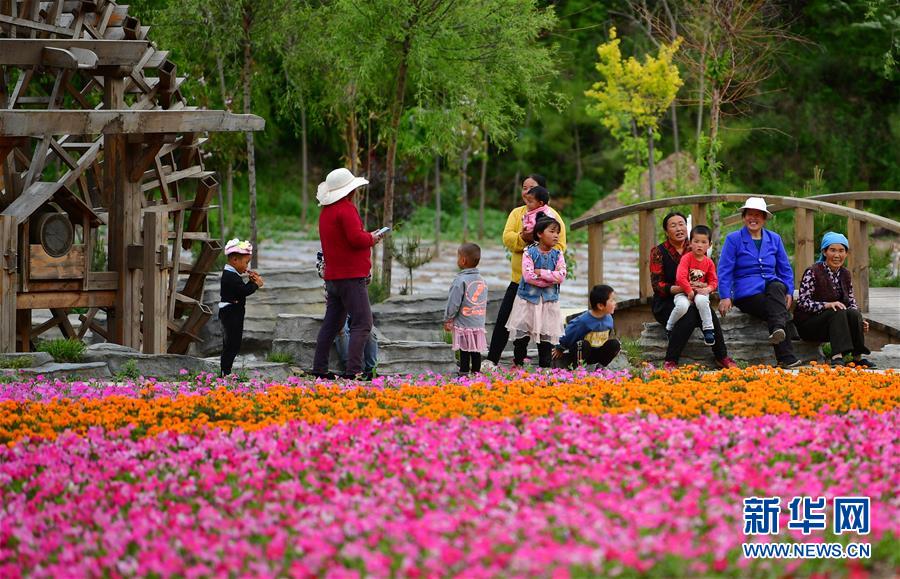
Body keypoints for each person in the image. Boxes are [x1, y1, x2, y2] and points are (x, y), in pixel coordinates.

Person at [485, 174, 567, 368]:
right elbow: (508, 238)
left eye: (531, 188)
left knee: (544, 325)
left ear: (542, 194)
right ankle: (492, 360)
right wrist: (524, 238)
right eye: (524, 187)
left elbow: (560, 246)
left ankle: (545, 366)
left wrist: (541, 257)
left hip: (546, 284)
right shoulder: (517, 213)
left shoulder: (553, 216)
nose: (526, 192)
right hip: (519, 280)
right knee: (506, 319)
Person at [312, 168, 386, 380]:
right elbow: (355, 239)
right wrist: (372, 238)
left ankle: (320, 369)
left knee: (332, 324)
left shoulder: (326, 212)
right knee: (362, 323)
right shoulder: (346, 209)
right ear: (350, 191)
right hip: (351, 277)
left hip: (333, 276)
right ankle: (354, 371)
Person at [717, 197, 801, 368]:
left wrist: (789, 292)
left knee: (778, 286)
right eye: (749, 214)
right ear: (743, 217)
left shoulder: (774, 238)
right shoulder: (733, 239)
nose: (753, 218)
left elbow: (785, 269)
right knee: (777, 310)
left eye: (758, 215)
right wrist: (725, 296)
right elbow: (725, 270)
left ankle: (779, 332)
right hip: (747, 293)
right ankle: (786, 343)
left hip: (772, 288)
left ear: (764, 218)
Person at [650, 212, 735, 370]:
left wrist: (706, 287)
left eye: (681, 224)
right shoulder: (658, 252)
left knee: (707, 311)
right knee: (688, 315)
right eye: (673, 225)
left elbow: (710, 275)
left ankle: (722, 356)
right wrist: (685, 288)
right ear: (666, 231)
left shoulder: (697, 245)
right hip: (667, 301)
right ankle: (671, 361)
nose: (679, 228)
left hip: (695, 297)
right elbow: (657, 286)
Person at [794, 232, 875, 368]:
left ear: (846, 253)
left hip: (834, 324)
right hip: (809, 325)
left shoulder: (845, 274)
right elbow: (803, 302)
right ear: (824, 252)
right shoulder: (813, 271)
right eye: (832, 250)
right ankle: (837, 356)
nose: (837, 255)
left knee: (854, 314)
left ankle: (856, 357)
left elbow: (851, 302)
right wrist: (826, 305)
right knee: (836, 309)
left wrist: (859, 322)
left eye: (841, 251)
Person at [505, 216, 566, 367]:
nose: (556, 235)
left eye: (557, 232)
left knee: (546, 337)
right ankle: (519, 364)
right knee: (522, 337)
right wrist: (549, 278)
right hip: (528, 301)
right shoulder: (529, 252)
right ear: (539, 233)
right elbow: (528, 276)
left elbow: (561, 276)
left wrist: (542, 273)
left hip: (548, 302)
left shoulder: (558, 255)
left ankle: (545, 368)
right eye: (552, 231)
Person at [317, 250, 378, 375]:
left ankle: (371, 370)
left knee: (369, 331)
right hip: (337, 299)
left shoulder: (357, 252)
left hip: (356, 299)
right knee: (340, 330)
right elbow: (322, 273)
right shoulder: (327, 251)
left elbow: (368, 278)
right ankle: (350, 368)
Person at [219, 238, 264, 376]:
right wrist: (256, 285)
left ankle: (226, 371)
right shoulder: (230, 276)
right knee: (232, 343)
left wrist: (250, 282)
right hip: (231, 313)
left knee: (232, 343)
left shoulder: (233, 275)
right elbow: (242, 291)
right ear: (234, 260)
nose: (247, 266)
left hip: (233, 312)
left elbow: (240, 290)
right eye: (246, 262)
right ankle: (225, 372)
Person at [669, 225, 719, 346]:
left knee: (702, 301)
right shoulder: (686, 258)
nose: (699, 245)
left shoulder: (709, 263)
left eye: (703, 242)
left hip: (700, 292)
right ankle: (670, 326)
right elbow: (680, 277)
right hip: (684, 292)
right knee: (682, 306)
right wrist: (688, 291)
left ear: (709, 244)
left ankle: (708, 329)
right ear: (690, 243)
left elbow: (714, 281)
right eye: (696, 241)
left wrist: (708, 289)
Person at [443, 243, 488, 375]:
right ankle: (476, 373)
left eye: (458, 257)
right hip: (478, 321)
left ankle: (463, 373)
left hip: (464, 322)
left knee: (464, 349)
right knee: (475, 350)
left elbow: (454, 302)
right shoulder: (482, 280)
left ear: (463, 260)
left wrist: (448, 318)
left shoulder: (460, 280)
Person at [552, 284, 621, 369]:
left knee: (615, 344)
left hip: (596, 352)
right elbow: (569, 332)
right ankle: (579, 369)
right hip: (581, 353)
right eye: (612, 300)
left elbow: (608, 335)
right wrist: (560, 348)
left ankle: (600, 367)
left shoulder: (609, 319)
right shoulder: (584, 321)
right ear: (600, 306)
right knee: (583, 345)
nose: (615, 303)